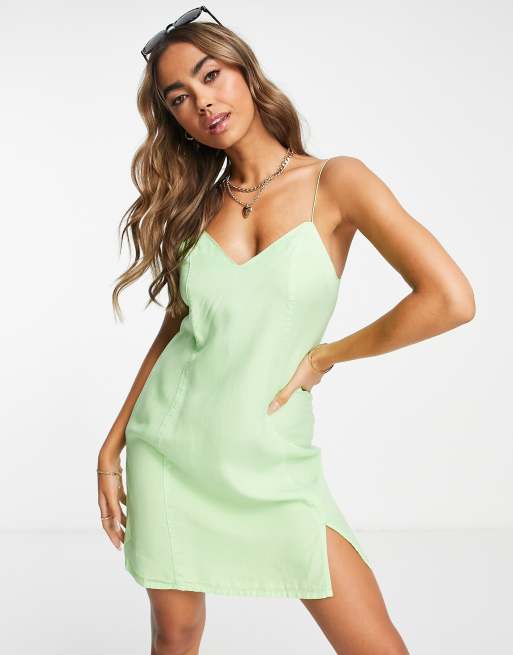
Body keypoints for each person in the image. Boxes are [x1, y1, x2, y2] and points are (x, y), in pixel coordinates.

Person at [97, 10, 475, 655]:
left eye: (210, 75)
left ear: (245, 72)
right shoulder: (196, 205)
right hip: (169, 449)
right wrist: (112, 445)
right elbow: (178, 330)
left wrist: (327, 356)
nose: (202, 102)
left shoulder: (337, 181)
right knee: (175, 634)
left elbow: (450, 299)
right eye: (178, 97)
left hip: (272, 455)